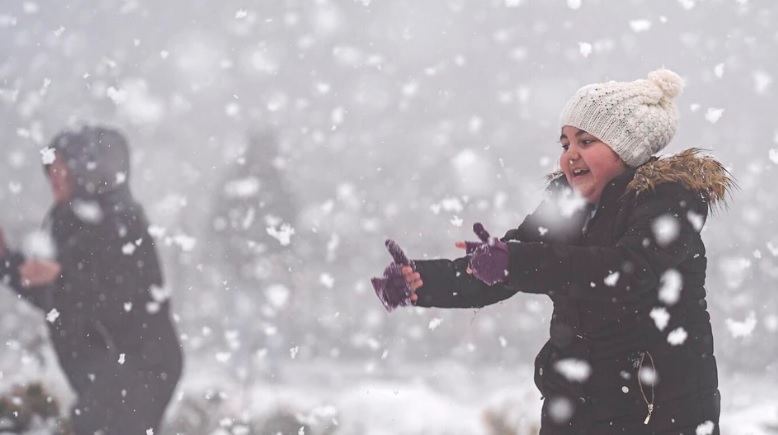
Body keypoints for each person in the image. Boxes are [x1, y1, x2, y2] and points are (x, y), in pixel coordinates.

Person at [371, 69, 731, 434]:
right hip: (575, 411)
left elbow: (625, 272)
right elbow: (505, 265)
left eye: (585, 142)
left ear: (627, 148)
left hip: (659, 415)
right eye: (564, 145)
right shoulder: (566, 206)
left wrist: (515, 262)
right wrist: (422, 282)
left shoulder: (669, 202)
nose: (569, 156)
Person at [0, 125, 183, 435]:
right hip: (106, 374)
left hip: (135, 369)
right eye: (51, 172)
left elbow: (124, 299)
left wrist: (61, 277)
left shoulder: (120, 221)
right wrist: (7, 263)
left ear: (85, 171)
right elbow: (59, 297)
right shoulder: (71, 223)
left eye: (62, 171)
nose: (54, 180)